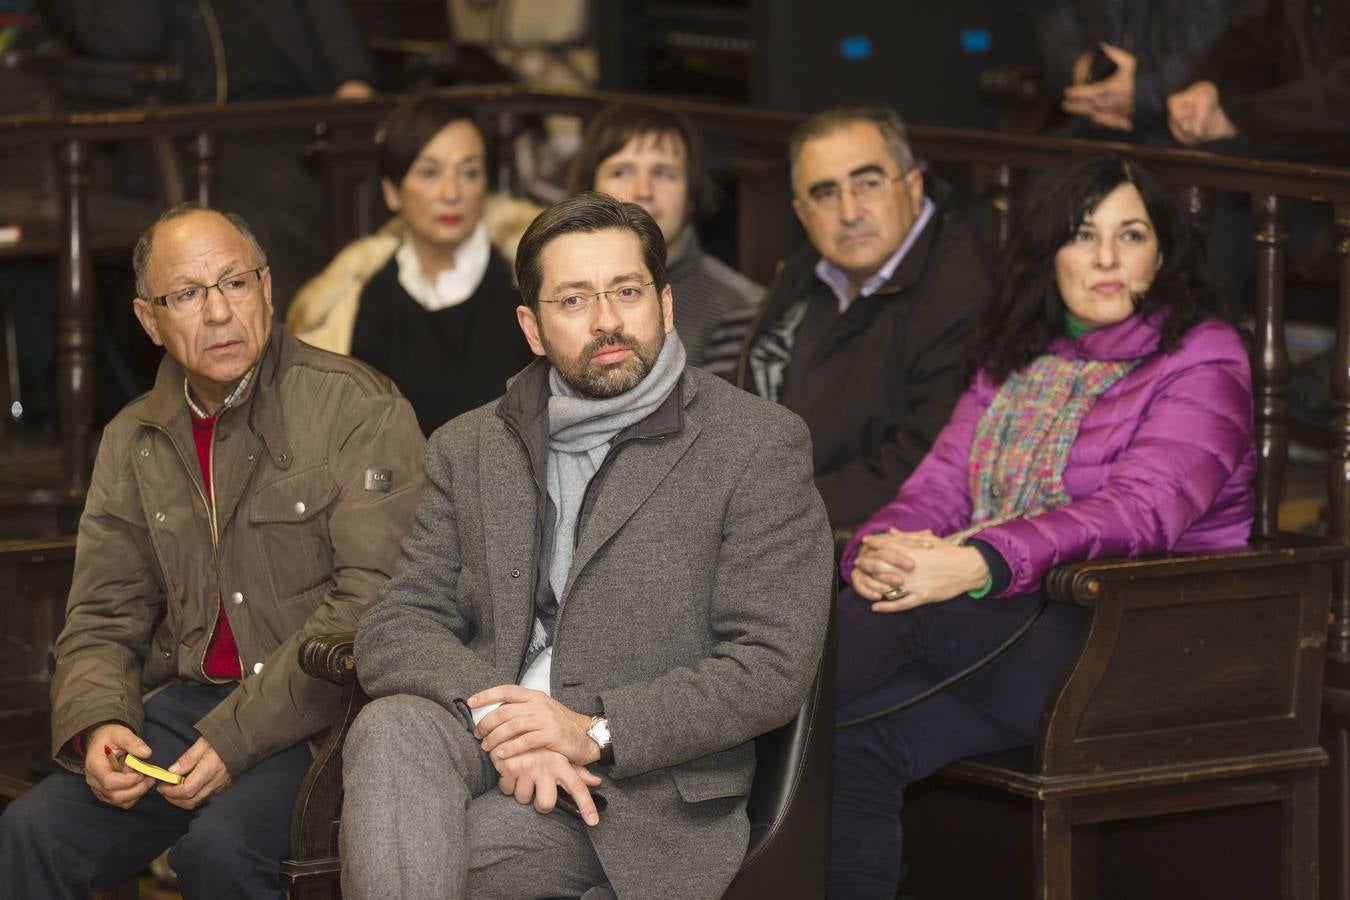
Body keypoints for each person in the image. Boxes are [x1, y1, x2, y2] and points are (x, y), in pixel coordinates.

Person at [339, 192, 833, 900]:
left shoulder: (755, 444)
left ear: (664, 305)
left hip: (636, 787)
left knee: (430, 852)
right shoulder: (469, 445)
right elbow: (397, 624)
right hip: (487, 739)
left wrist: (588, 732)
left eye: (626, 292)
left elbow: (770, 667)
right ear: (533, 328)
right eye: (573, 301)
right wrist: (505, 721)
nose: (607, 321)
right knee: (391, 731)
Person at [826, 153, 1255, 899]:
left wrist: (981, 561)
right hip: (1020, 635)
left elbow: (1142, 511)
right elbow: (935, 490)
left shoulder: (1203, 354)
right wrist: (877, 551)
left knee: (903, 622)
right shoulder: (1017, 355)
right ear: (1047, 251)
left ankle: (690, 736)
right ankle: (704, 732)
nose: (1107, 259)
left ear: (1163, 251)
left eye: (1132, 236)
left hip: (1139, 645)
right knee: (856, 738)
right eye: (1083, 235)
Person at [0, 204, 425, 899]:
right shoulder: (131, 438)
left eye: (234, 284)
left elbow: (373, 602)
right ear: (149, 320)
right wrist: (99, 722)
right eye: (188, 295)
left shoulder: (357, 408)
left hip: (326, 714)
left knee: (220, 853)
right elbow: (103, 617)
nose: (219, 313)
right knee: (33, 833)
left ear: (267, 288)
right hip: (190, 704)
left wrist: (235, 737)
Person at [736, 105, 995, 527]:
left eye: (868, 184)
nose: (850, 212)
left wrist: (770, 510)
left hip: (866, 539)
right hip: (777, 510)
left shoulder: (963, 292)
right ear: (802, 213)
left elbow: (924, 465)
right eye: (825, 193)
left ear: (913, 186)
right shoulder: (812, 267)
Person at [287, 95, 537, 435]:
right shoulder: (361, 298)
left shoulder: (527, 283)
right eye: (430, 172)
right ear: (392, 191)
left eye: (470, 173)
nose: (451, 193)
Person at [568, 102, 763, 378]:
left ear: (691, 196)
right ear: (589, 190)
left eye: (663, 173)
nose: (643, 191)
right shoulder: (556, 292)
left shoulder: (736, 309)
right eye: (621, 171)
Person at [1029, 0, 1256, 143]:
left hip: (1210, 127)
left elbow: (1259, 39)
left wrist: (1144, 89)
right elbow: (1055, 14)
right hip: (1094, 123)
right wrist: (1086, 72)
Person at [1167, 0, 1350, 162]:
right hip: (1298, 150)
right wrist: (1207, 87)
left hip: (1329, 163)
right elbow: (1256, 42)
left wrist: (1240, 119)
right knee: (1187, 167)